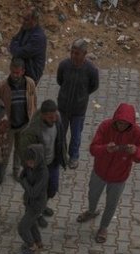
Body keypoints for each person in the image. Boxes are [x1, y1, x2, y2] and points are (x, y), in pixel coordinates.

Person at [76, 103, 140, 244]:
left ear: (131, 124)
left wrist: (135, 151)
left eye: (125, 124)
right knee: (92, 195)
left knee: (111, 203)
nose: (121, 126)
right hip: (99, 171)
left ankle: (103, 227)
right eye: (119, 123)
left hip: (119, 177)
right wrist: (105, 149)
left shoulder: (137, 133)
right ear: (114, 119)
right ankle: (91, 211)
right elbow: (93, 149)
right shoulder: (105, 126)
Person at [18, 100, 67, 223]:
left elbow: (61, 136)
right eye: (50, 117)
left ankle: (42, 205)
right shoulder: (32, 131)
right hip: (39, 167)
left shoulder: (57, 118)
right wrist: (30, 167)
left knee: (52, 188)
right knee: (37, 193)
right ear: (43, 115)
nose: (54, 119)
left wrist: (63, 154)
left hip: (53, 162)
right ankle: (35, 214)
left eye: (55, 115)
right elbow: (24, 152)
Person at [56, 39, 100, 169]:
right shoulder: (64, 65)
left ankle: (74, 156)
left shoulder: (91, 70)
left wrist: (82, 96)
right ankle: (60, 155)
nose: (74, 56)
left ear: (84, 53)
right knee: (60, 133)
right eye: (72, 52)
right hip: (63, 107)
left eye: (77, 53)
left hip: (78, 110)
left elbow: (94, 86)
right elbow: (60, 80)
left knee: (76, 135)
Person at [0, 58, 38, 179]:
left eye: (17, 72)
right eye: (13, 72)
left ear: (23, 71)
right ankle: (0, 174)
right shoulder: (2, 87)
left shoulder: (30, 84)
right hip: (8, 126)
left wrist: (33, 119)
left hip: (24, 124)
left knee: (20, 150)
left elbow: (34, 101)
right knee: (5, 152)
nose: (14, 75)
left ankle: (16, 171)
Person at [17, 145, 49, 254]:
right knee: (31, 224)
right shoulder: (29, 167)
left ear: (37, 159)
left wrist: (24, 182)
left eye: (31, 162)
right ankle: (38, 242)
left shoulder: (43, 172)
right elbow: (21, 176)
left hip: (37, 205)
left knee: (22, 227)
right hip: (29, 202)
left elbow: (34, 192)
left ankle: (31, 246)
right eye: (27, 162)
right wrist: (24, 181)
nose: (29, 165)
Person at [9, 7, 47, 83]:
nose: (23, 22)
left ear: (34, 20)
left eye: (26, 20)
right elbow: (14, 41)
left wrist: (16, 48)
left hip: (30, 75)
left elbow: (19, 52)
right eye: (23, 19)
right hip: (21, 71)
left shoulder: (38, 37)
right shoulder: (25, 28)